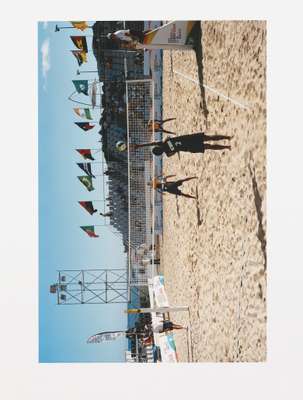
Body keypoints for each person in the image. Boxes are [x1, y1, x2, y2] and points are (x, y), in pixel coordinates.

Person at [134, 132, 232, 157]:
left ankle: (226, 147)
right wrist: (140, 145)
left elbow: (175, 152)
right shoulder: (163, 142)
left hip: (189, 147)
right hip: (188, 138)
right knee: (209, 138)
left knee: (209, 147)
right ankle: (227, 138)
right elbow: (153, 143)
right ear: (157, 147)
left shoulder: (168, 153)